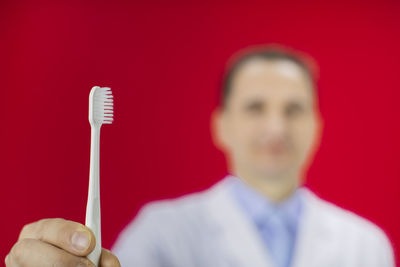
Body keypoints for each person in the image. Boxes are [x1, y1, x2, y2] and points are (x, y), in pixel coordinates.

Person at [5, 46, 395, 267]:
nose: (276, 127)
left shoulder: (366, 246)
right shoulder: (161, 232)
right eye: (255, 107)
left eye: (293, 110)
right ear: (220, 126)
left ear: (317, 126)